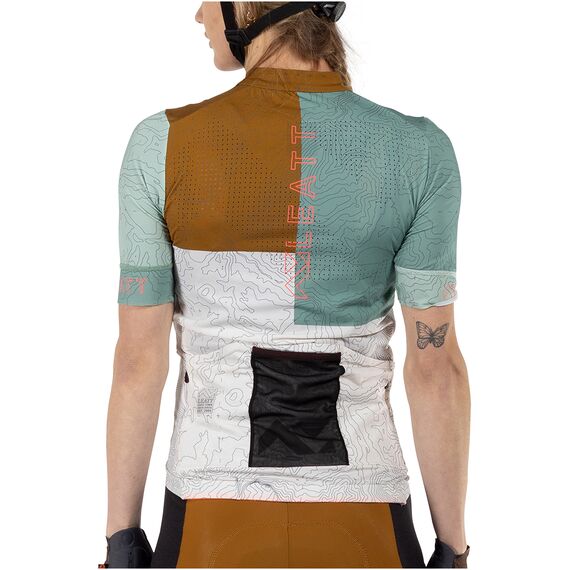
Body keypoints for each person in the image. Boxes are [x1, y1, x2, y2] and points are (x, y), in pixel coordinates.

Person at [100, 2, 471, 568]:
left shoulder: (161, 144)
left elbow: (137, 362)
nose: (199, 13)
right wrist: (454, 549)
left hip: (207, 510)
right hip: (366, 510)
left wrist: (121, 541)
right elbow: (436, 368)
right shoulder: (420, 151)